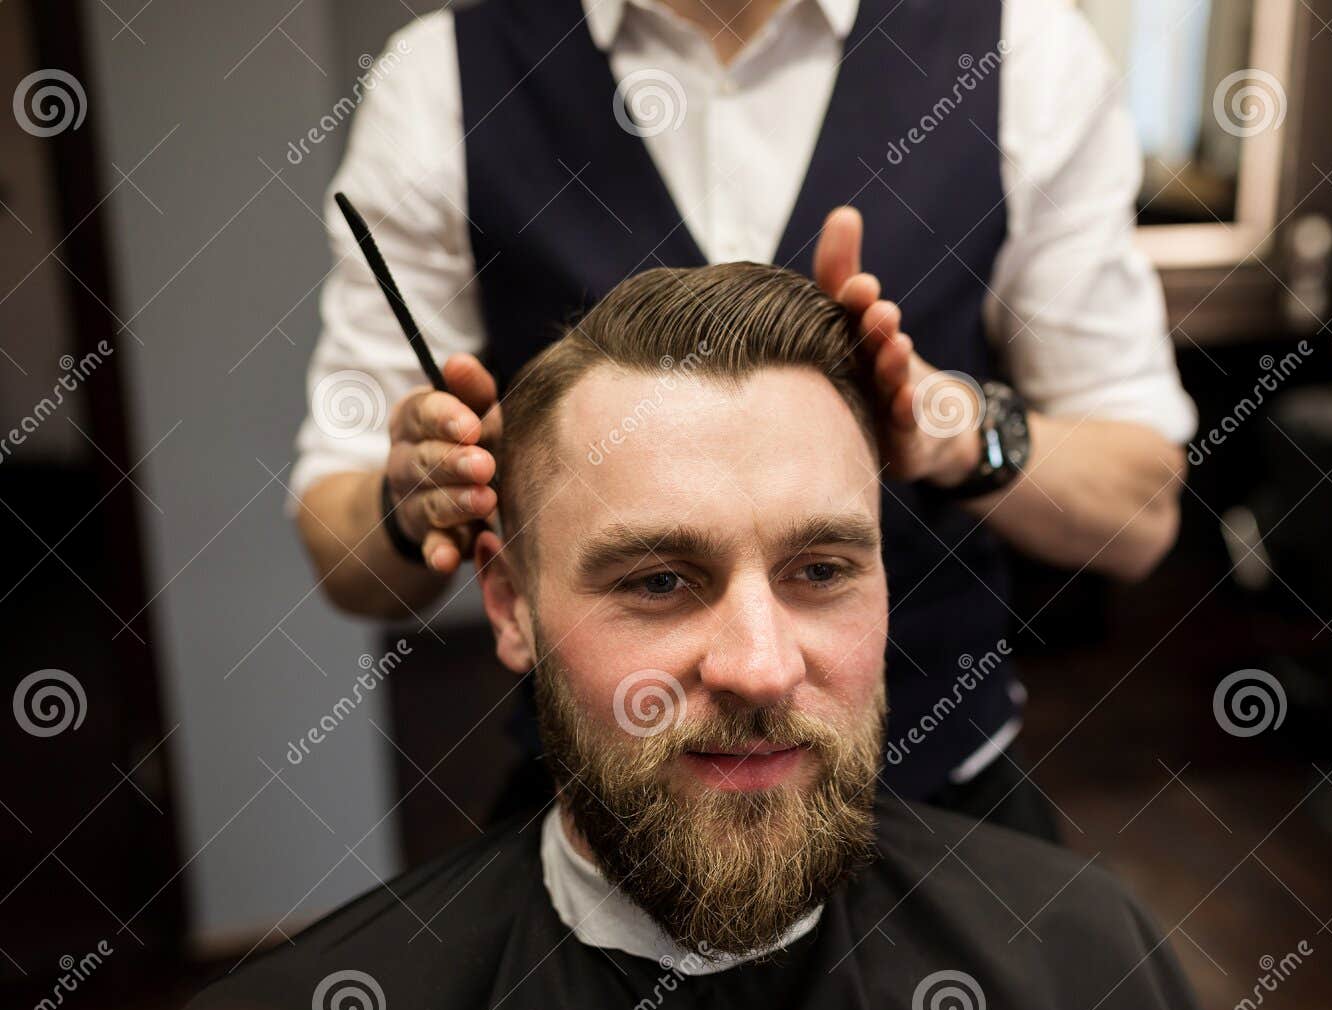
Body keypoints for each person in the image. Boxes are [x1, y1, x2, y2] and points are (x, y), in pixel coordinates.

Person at [171, 264, 1207, 1010]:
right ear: (510, 605)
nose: (758, 667)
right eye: (660, 581)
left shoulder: (1087, 962)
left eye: (820, 567)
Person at [289, 0, 1198, 840]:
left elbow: (1141, 512)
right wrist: (413, 505)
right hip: (611, 818)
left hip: (935, 803)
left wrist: (955, 428)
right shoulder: (444, 81)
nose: (756, 669)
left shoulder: (1021, 50)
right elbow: (344, 557)